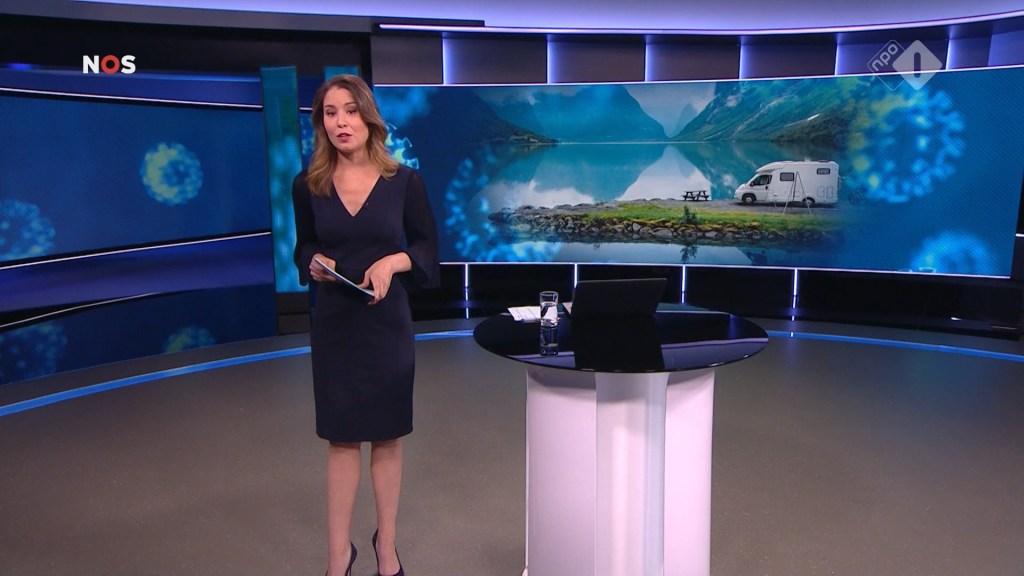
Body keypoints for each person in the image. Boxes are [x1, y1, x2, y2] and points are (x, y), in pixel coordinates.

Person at [292, 74, 439, 576]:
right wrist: (313, 261)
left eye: (350, 111)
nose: (341, 122)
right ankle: (339, 554)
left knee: (387, 436)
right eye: (330, 113)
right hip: (336, 324)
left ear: (369, 118)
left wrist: (394, 262)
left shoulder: (404, 182)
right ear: (321, 123)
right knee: (341, 439)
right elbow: (303, 246)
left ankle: (386, 545)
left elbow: (426, 249)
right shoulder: (308, 185)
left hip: (386, 325)